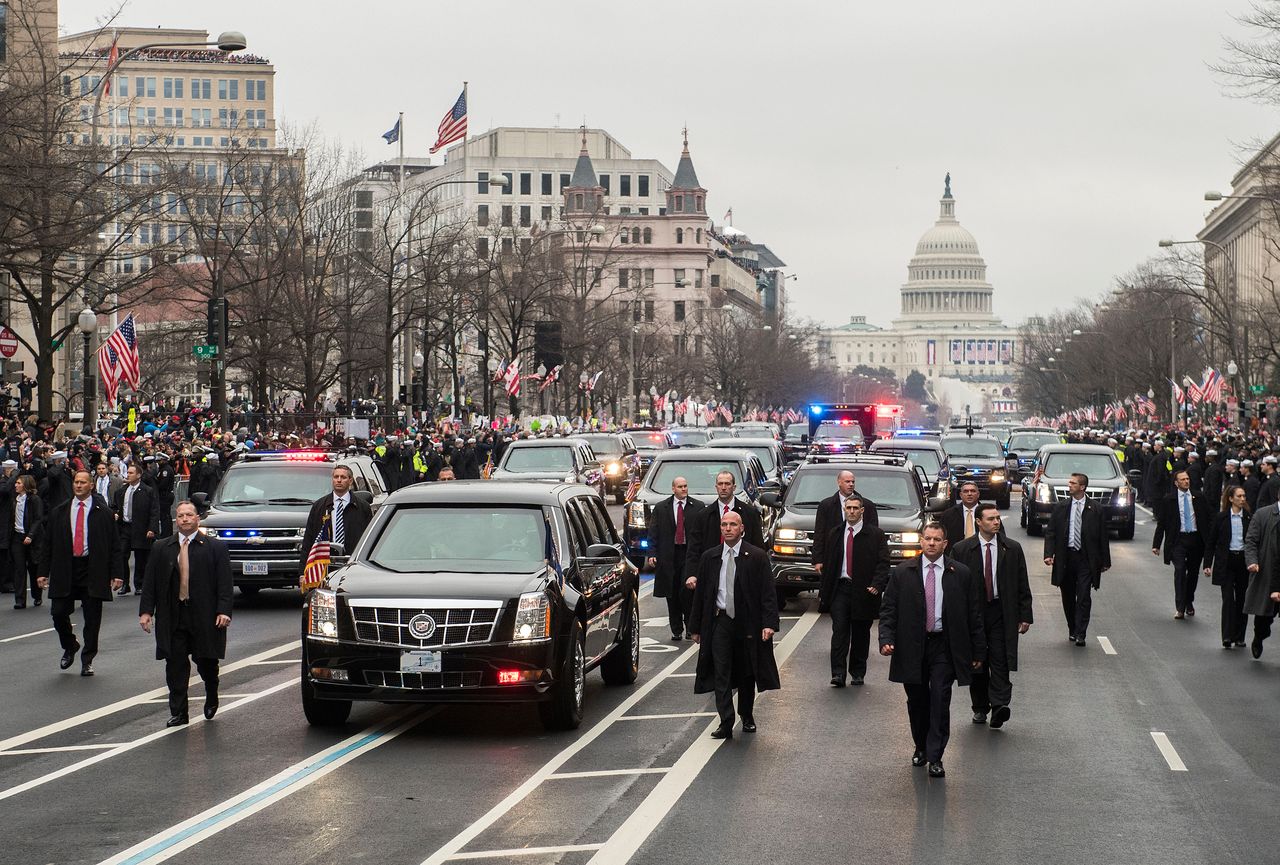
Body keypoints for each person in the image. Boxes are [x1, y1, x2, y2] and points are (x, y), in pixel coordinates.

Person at [878, 522, 985, 778]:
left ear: (945, 543)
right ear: (921, 541)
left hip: (944, 646)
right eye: (928, 539)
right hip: (912, 645)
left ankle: (936, 756)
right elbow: (889, 610)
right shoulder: (904, 572)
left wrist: (978, 651)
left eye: (937, 539)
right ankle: (921, 747)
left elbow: (974, 614)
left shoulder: (960, 573)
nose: (932, 543)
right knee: (917, 701)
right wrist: (886, 638)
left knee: (940, 698)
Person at [140, 501, 233, 727]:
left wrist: (223, 611)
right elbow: (150, 581)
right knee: (176, 665)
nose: (184, 519)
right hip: (174, 615)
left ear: (197, 519)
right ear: (176, 520)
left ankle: (212, 693)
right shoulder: (163, 547)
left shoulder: (214, 547)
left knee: (206, 662)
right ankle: (179, 712)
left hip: (204, 615)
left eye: (189, 515)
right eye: (180, 516)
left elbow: (224, 583)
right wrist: (146, 612)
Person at [689, 510, 780, 739]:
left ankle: (746, 715)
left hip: (747, 622)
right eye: (724, 524)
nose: (727, 528)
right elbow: (701, 595)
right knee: (721, 671)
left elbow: (768, 593)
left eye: (732, 525)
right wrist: (696, 627)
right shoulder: (710, 557)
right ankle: (725, 721)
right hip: (720, 621)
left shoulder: (756, 556)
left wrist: (769, 624)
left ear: (742, 529)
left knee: (747, 671)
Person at [951, 504, 1033, 727]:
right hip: (974, 614)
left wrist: (1025, 614)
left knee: (1000, 658)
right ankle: (980, 707)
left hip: (1000, 611)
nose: (996, 522)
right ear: (979, 522)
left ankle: (999, 705)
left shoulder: (1012, 548)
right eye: (990, 519)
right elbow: (952, 586)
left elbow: (1022, 582)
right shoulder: (961, 550)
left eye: (997, 518)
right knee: (977, 661)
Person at [37, 470, 123, 676]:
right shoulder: (60, 512)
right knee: (58, 612)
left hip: (93, 569)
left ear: (91, 485)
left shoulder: (103, 512)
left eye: (83, 482)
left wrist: (117, 573)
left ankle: (87, 659)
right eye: (76, 482)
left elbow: (115, 546)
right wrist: (42, 572)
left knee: (92, 618)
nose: (78, 485)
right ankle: (70, 645)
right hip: (65, 568)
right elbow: (47, 544)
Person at [818, 496, 890, 687]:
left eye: (855, 508)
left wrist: (877, 584)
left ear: (862, 510)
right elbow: (829, 563)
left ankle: (858, 672)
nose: (851, 511)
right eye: (848, 508)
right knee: (839, 631)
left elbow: (883, 563)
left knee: (860, 633)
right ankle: (838, 673)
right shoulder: (835, 533)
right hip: (840, 588)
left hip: (864, 591)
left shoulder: (875, 535)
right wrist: (825, 592)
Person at [1044, 472, 1110, 646]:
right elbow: (1051, 532)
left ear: (1082, 487)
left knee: (1083, 596)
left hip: (1086, 559)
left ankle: (1081, 633)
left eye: (1073, 483)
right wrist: (1049, 554)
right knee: (1067, 595)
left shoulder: (1095, 508)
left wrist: (1105, 561)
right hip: (1066, 557)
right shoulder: (1061, 507)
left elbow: (1103, 536)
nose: (1069, 485)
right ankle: (1072, 628)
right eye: (1069, 482)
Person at [648, 476, 705, 641]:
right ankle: (676, 629)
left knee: (687, 592)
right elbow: (653, 533)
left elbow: (701, 533)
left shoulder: (698, 507)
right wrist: (652, 553)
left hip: (689, 555)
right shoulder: (661, 508)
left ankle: (690, 626)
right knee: (671, 594)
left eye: (686, 486)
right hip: (668, 556)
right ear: (673, 488)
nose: (684, 489)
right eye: (680, 486)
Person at [1152, 468, 1211, 619]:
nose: (1186, 481)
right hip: (1178, 540)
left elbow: (1208, 518)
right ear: (1176, 483)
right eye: (1183, 479)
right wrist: (1156, 544)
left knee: (1192, 574)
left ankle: (1188, 601)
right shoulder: (1169, 499)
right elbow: (1162, 523)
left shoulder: (1198, 497)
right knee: (1179, 570)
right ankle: (1180, 607)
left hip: (1196, 539)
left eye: (1187, 479)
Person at [683, 470, 763, 579]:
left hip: (742, 571)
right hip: (711, 572)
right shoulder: (704, 516)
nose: (724, 487)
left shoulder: (749, 513)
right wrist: (691, 574)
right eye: (720, 484)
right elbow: (694, 548)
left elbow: (758, 545)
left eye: (727, 484)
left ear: (734, 487)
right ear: (716, 487)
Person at [1203, 485, 1251, 649]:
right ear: (1231, 499)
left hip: (1244, 562)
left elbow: (1254, 542)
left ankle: (1240, 637)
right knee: (1228, 600)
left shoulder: (1249, 518)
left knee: (1242, 601)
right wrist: (1207, 564)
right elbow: (1211, 542)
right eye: (1239, 496)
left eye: (1244, 496)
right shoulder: (1221, 517)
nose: (1242, 499)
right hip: (1227, 562)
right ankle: (1227, 636)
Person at [301, 464, 372, 567]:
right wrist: (302, 572)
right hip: (324, 564)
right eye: (336, 477)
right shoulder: (319, 506)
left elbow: (369, 540)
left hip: (353, 564)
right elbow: (308, 540)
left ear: (350, 481)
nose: (339, 480)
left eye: (343, 477)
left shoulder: (362, 507)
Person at [811, 470, 879, 572]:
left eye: (853, 482)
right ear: (839, 482)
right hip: (833, 556)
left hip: (860, 557)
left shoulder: (868, 505)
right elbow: (819, 534)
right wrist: (818, 560)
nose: (851, 484)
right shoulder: (826, 505)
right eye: (847, 482)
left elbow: (874, 535)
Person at [112, 463, 161, 595]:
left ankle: (139, 584)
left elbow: (154, 511)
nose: (128, 475)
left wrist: (152, 528)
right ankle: (124, 583)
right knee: (122, 554)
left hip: (141, 527)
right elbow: (115, 506)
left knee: (140, 557)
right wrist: (116, 513)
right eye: (127, 472)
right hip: (125, 528)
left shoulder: (147, 491)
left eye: (131, 473)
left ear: (139, 475)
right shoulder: (121, 492)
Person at [1243, 496, 1280, 659]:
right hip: (1268, 572)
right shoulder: (1263, 514)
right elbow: (1251, 541)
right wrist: (1252, 561)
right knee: (1264, 618)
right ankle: (1259, 637)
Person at [10, 474, 43, 609]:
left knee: (33, 567)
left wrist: (30, 535)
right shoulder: (14, 499)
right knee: (19, 568)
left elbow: (38, 518)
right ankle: (20, 600)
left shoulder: (34, 500)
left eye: (18, 483)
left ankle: (37, 595)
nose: (16, 485)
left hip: (32, 537)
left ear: (25, 485)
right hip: (17, 537)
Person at [940, 481, 1001, 547]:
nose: (969, 494)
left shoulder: (990, 514)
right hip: (957, 554)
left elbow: (1000, 536)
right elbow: (941, 537)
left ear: (978, 494)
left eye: (973, 491)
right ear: (961, 495)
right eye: (966, 491)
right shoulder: (948, 515)